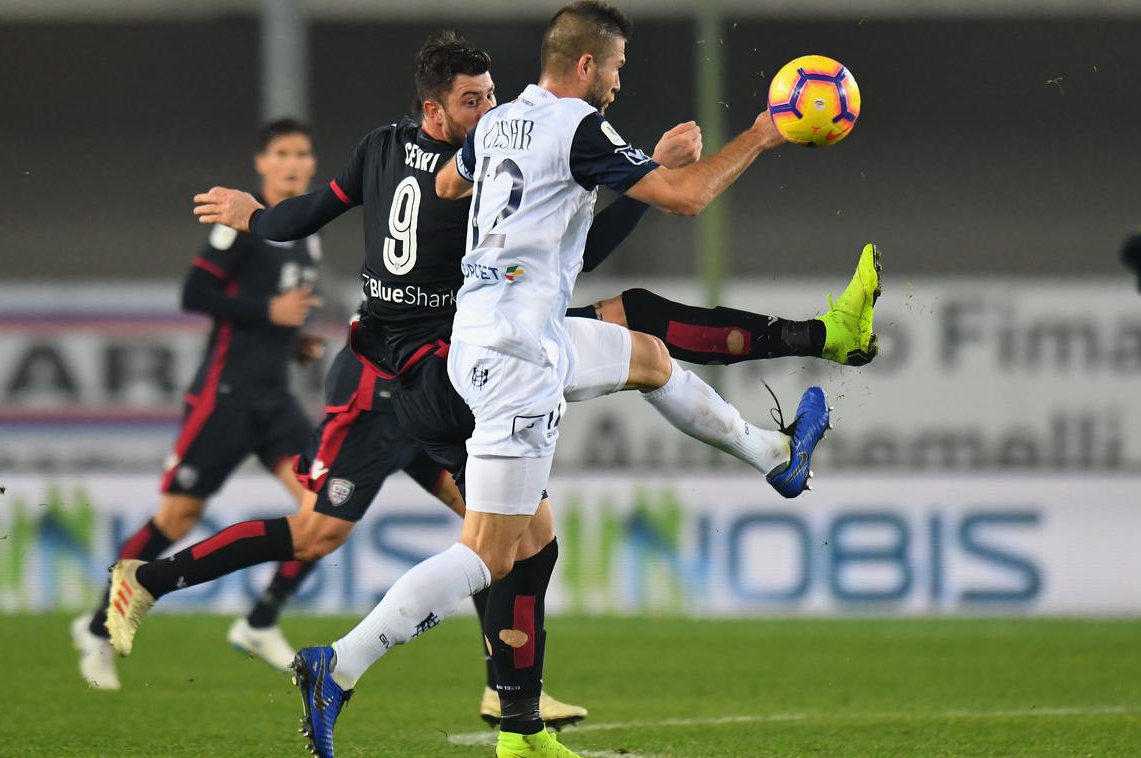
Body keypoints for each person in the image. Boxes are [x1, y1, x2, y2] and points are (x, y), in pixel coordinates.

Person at [282, 4, 856, 756]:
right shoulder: (579, 126)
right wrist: (762, 133)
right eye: (616, 66)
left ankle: (775, 459)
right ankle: (341, 666)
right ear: (585, 65)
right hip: (519, 363)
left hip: (499, 337)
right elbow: (685, 199)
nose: (619, 80)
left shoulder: (500, 120)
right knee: (491, 554)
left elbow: (450, 187)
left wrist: (537, 200)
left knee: (647, 355)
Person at [70, 118, 326, 691]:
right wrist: (269, 316)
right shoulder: (241, 223)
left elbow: (278, 309)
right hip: (225, 399)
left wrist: (293, 340)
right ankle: (95, 628)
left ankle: (261, 620)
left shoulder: (306, 230)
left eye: (301, 154)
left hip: (275, 403)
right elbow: (196, 292)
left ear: (312, 164)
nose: (292, 163)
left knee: (326, 509)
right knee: (176, 519)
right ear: (262, 163)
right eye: (281, 153)